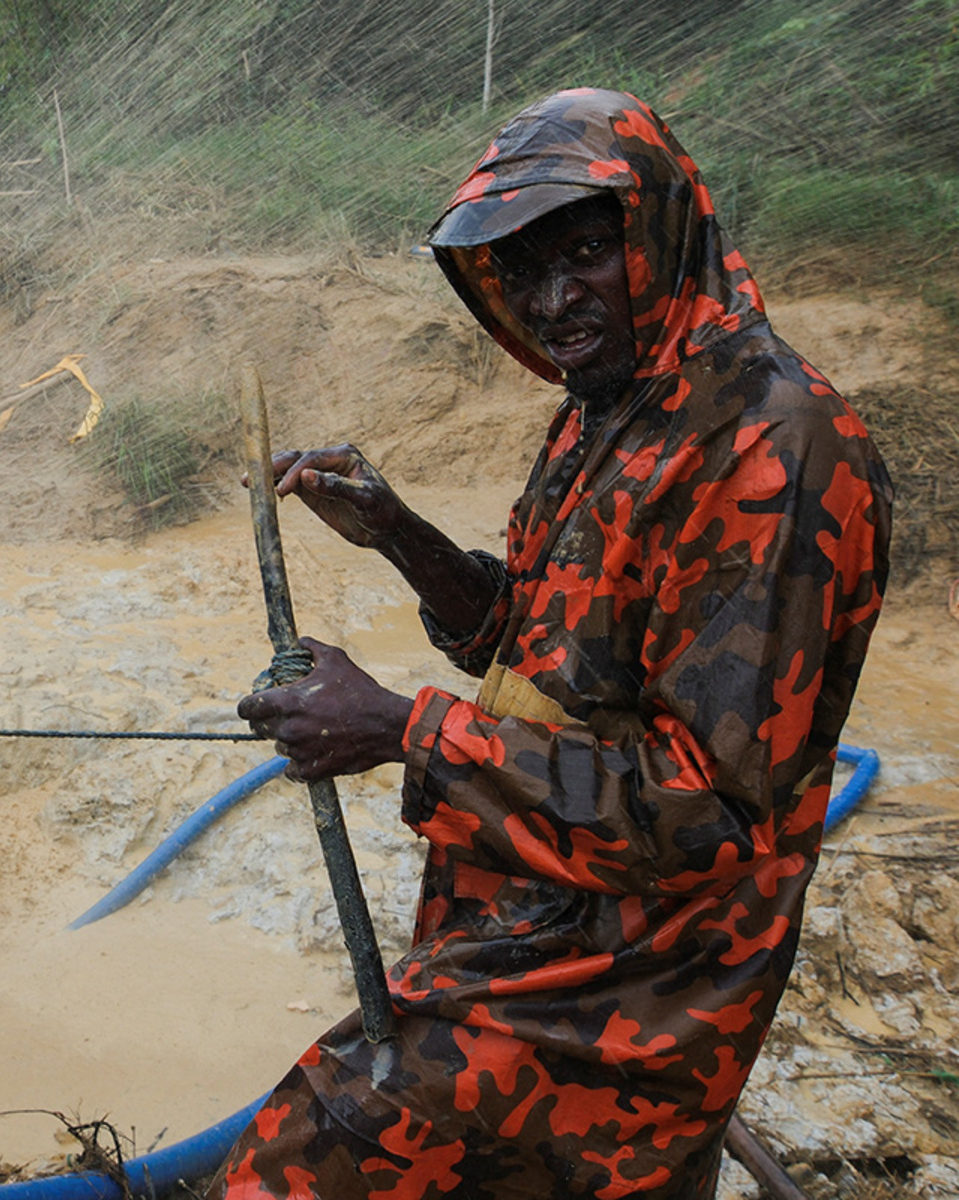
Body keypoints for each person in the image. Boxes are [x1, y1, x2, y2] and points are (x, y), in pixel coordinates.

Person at [217, 88, 892, 1199]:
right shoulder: (611, 401)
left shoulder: (773, 448)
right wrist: (399, 535)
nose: (552, 299)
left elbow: (702, 812)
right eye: (522, 273)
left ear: (662, 230)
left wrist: (398, 729)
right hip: (538, 906)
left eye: (585, 252)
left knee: (294, 1166)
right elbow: (542, 651)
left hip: (640, 977)